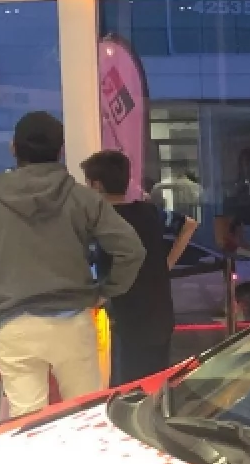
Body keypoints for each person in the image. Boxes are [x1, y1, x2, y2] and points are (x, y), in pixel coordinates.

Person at [0, 112, 145, 417]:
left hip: (13, 324)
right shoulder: (82, 198)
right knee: (85, 416)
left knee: (28, 420)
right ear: (61, 149)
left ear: (14, 147)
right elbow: (131, 250)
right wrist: (105, 291)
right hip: (73, 321)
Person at [82, 149, 198, 385]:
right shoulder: (148, 211)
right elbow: (189, 224)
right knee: (157, 383)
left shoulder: (105, 221)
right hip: (159, 313)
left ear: (97, 185)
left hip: (127, 315)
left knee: (128, 387)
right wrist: (166, 264)